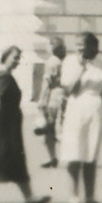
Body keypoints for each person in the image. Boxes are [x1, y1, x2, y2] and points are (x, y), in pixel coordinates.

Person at [0, 45, 47, 203]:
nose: (18, 61)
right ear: (5, 57)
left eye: (19, 58)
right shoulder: (2, 77)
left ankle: (29, 197)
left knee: (12, 158)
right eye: (15, 57)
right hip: (1, 125)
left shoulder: (6, 76)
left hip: (9, 125)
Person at [57, 32, 102, 203]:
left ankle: (90, 198)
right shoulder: (70, 62)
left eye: (84, 44)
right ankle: (73, 198)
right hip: (77, 107)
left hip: (96, 108)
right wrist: (82, 69)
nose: (80, 47)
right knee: (74, 152)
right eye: (77, 44)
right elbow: (71, 90)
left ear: (94, 46)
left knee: (91, 153)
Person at [34, 37, 66, 169]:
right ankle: (54, 158)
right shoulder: (61, 61)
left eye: (48, 44)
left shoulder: (51, 61)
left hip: (52, 96)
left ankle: (52, 157)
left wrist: (41, 98)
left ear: (52, 46)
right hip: (61, 95)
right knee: (56, 125)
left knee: (49, 127)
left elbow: (47, 82)